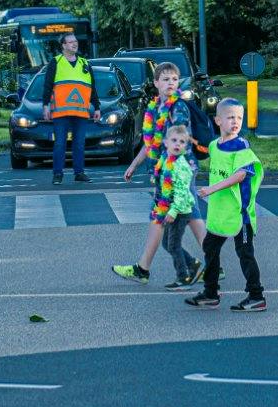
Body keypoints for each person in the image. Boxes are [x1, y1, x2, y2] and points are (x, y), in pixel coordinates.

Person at [122, 63, 204, 289]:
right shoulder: (155, 108)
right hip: (165, 169)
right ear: (156, 83)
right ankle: (209, 266)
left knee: (159, 218)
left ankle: (143, 268)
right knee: (193, 216)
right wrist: (134, 164)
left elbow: (177, 140)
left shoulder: (177, 108)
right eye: (166, 79)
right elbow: (151, 143)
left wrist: (169, 169)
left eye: (174, 79)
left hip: (177, 170)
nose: (170, 83)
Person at [191, 100, 265, 311]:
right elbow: (202, 149)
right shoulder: (215, 146)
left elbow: (241, 175)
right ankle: (210, 293)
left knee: (245, 253)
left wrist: (211, 189)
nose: (236, 122)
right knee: (210, 247)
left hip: (240, 214)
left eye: (239, 118)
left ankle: (256, 295)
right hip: (221, 213)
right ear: (218, 120)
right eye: (231, 117)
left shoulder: (241, 146)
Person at [113, 122, 204, 283]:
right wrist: (136, 166)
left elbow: (183, 194)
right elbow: (150, 146)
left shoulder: (181, 166)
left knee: (173, 244)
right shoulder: (166, 160)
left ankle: (184, 277)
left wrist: (173, 211)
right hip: (167, 204)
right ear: (165, 142)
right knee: (167, 243)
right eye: (174, 141)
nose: (177, 144)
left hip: (179, 210)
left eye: (181, 142)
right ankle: (193, 264)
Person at [45, 32, 94, 184]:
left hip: (81, 111)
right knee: (60, 143)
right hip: (61, 112)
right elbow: (47, 86)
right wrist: (45, 105)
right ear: (64, 45)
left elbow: (93, 87)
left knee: (79, 143)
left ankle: (79, 173)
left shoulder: (85, 63)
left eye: (75, 41)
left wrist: (97, 107)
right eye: (71, 42)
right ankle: (58, 174)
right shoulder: (56, 62)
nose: (75, 44)